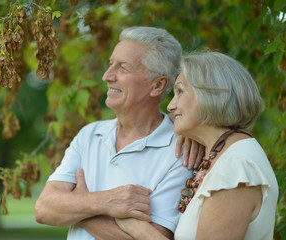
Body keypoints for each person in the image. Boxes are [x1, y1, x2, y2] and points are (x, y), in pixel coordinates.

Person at [34, 26, 201, 239]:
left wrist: (78, 206)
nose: (106, 76)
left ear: (157, 85)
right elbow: (43, 209)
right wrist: (105, 201)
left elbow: (151, 238)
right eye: (110, 64)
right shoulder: (89, 134)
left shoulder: (180, 151)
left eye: (122, 68)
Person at [112, 51, 279, 239]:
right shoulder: (222, 153)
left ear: (211, 92)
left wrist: (138, 229)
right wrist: (191, 131)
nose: (170, 106)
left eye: (180, 91)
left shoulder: (236, 167)